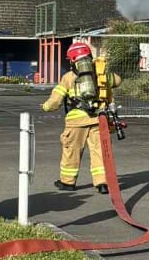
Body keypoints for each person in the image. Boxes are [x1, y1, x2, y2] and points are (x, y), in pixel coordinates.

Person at [41, 40, 121, 194]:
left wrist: (45, 107)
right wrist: (104, 73)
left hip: (76, 121)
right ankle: (102, 183)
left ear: (72, 60)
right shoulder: (101, 75)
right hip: (99, 119)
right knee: (100, 152)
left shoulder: (68, 77)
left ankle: (67, 182)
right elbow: (117, 80)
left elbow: (55, 102)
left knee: (71, 151)